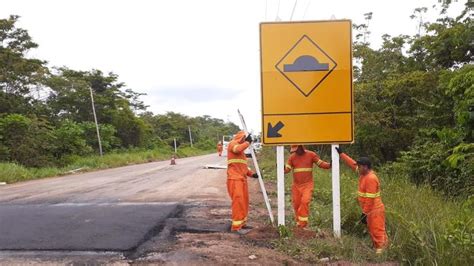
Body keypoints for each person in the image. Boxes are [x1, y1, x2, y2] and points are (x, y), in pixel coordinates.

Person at [336, 147, 388, 254]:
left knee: (377, 230)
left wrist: (364, 213)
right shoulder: (363, 173)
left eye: (359, 166)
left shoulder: (370, 178)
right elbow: (352, 164)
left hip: (374, 210)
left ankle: (381, 252)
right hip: (370, 210)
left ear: (365, 167)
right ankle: (382, 247)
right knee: (373, 230)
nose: (357, 168)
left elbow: (370, 199)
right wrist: (342, 154)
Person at [284, 145, 331, 228]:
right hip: (296, 185)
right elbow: (287, 169)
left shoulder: (311, 155)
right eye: (294, 150)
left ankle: (303, 224)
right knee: (296, 204)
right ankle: (298, 223)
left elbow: (321, 163)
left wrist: (330, 165)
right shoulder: (292, 157)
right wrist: (281, 167)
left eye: (296, 149)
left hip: (307, 185)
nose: (296, 151)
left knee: (305, 201)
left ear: (301, 147)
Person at [227, 131, 258, 234]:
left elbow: (244, 168)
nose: (245, 142)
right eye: (244, 139)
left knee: (244, 202)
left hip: (242, 179)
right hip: (234, 179)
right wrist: (248, 143)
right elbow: (237, 149)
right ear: (241, 138)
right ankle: (236, 227)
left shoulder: (242, 154)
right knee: (238, 202)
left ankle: (242, 223)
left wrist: (252, 174)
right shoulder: (233, 143)